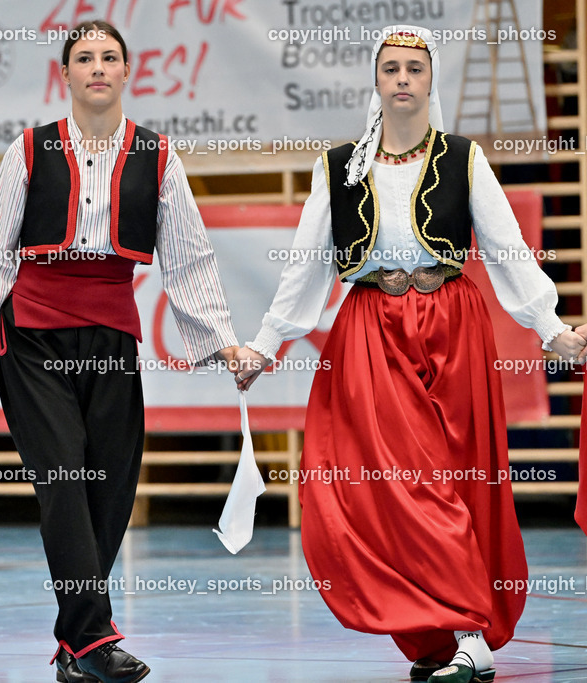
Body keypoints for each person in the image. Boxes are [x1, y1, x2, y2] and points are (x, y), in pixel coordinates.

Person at [234, 25, 586, 683]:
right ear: (376, 80)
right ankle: (440, 627)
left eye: (414, 69)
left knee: (454, 476)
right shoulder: (338, 165)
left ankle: (472, 635)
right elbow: (307, 265)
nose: (402, 79)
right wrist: (265, 343)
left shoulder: (463, 157)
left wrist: (550, 327)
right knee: (392, 485)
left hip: (453, 325)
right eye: (391, 68)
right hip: (370, 328)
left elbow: (508, 249)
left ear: (430, 81)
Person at [0, 19, 237, 683]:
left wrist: (221, 339)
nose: (98, 67)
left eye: (110, 56)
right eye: (85, 57)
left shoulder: (158, 155)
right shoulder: (28, 150)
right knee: (64, 479)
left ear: (126, 69)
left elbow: (189, 255)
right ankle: (94, 638)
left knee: (110, 486)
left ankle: (75, 649)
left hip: (112, 331)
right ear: (66, 73)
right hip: (31, 333)